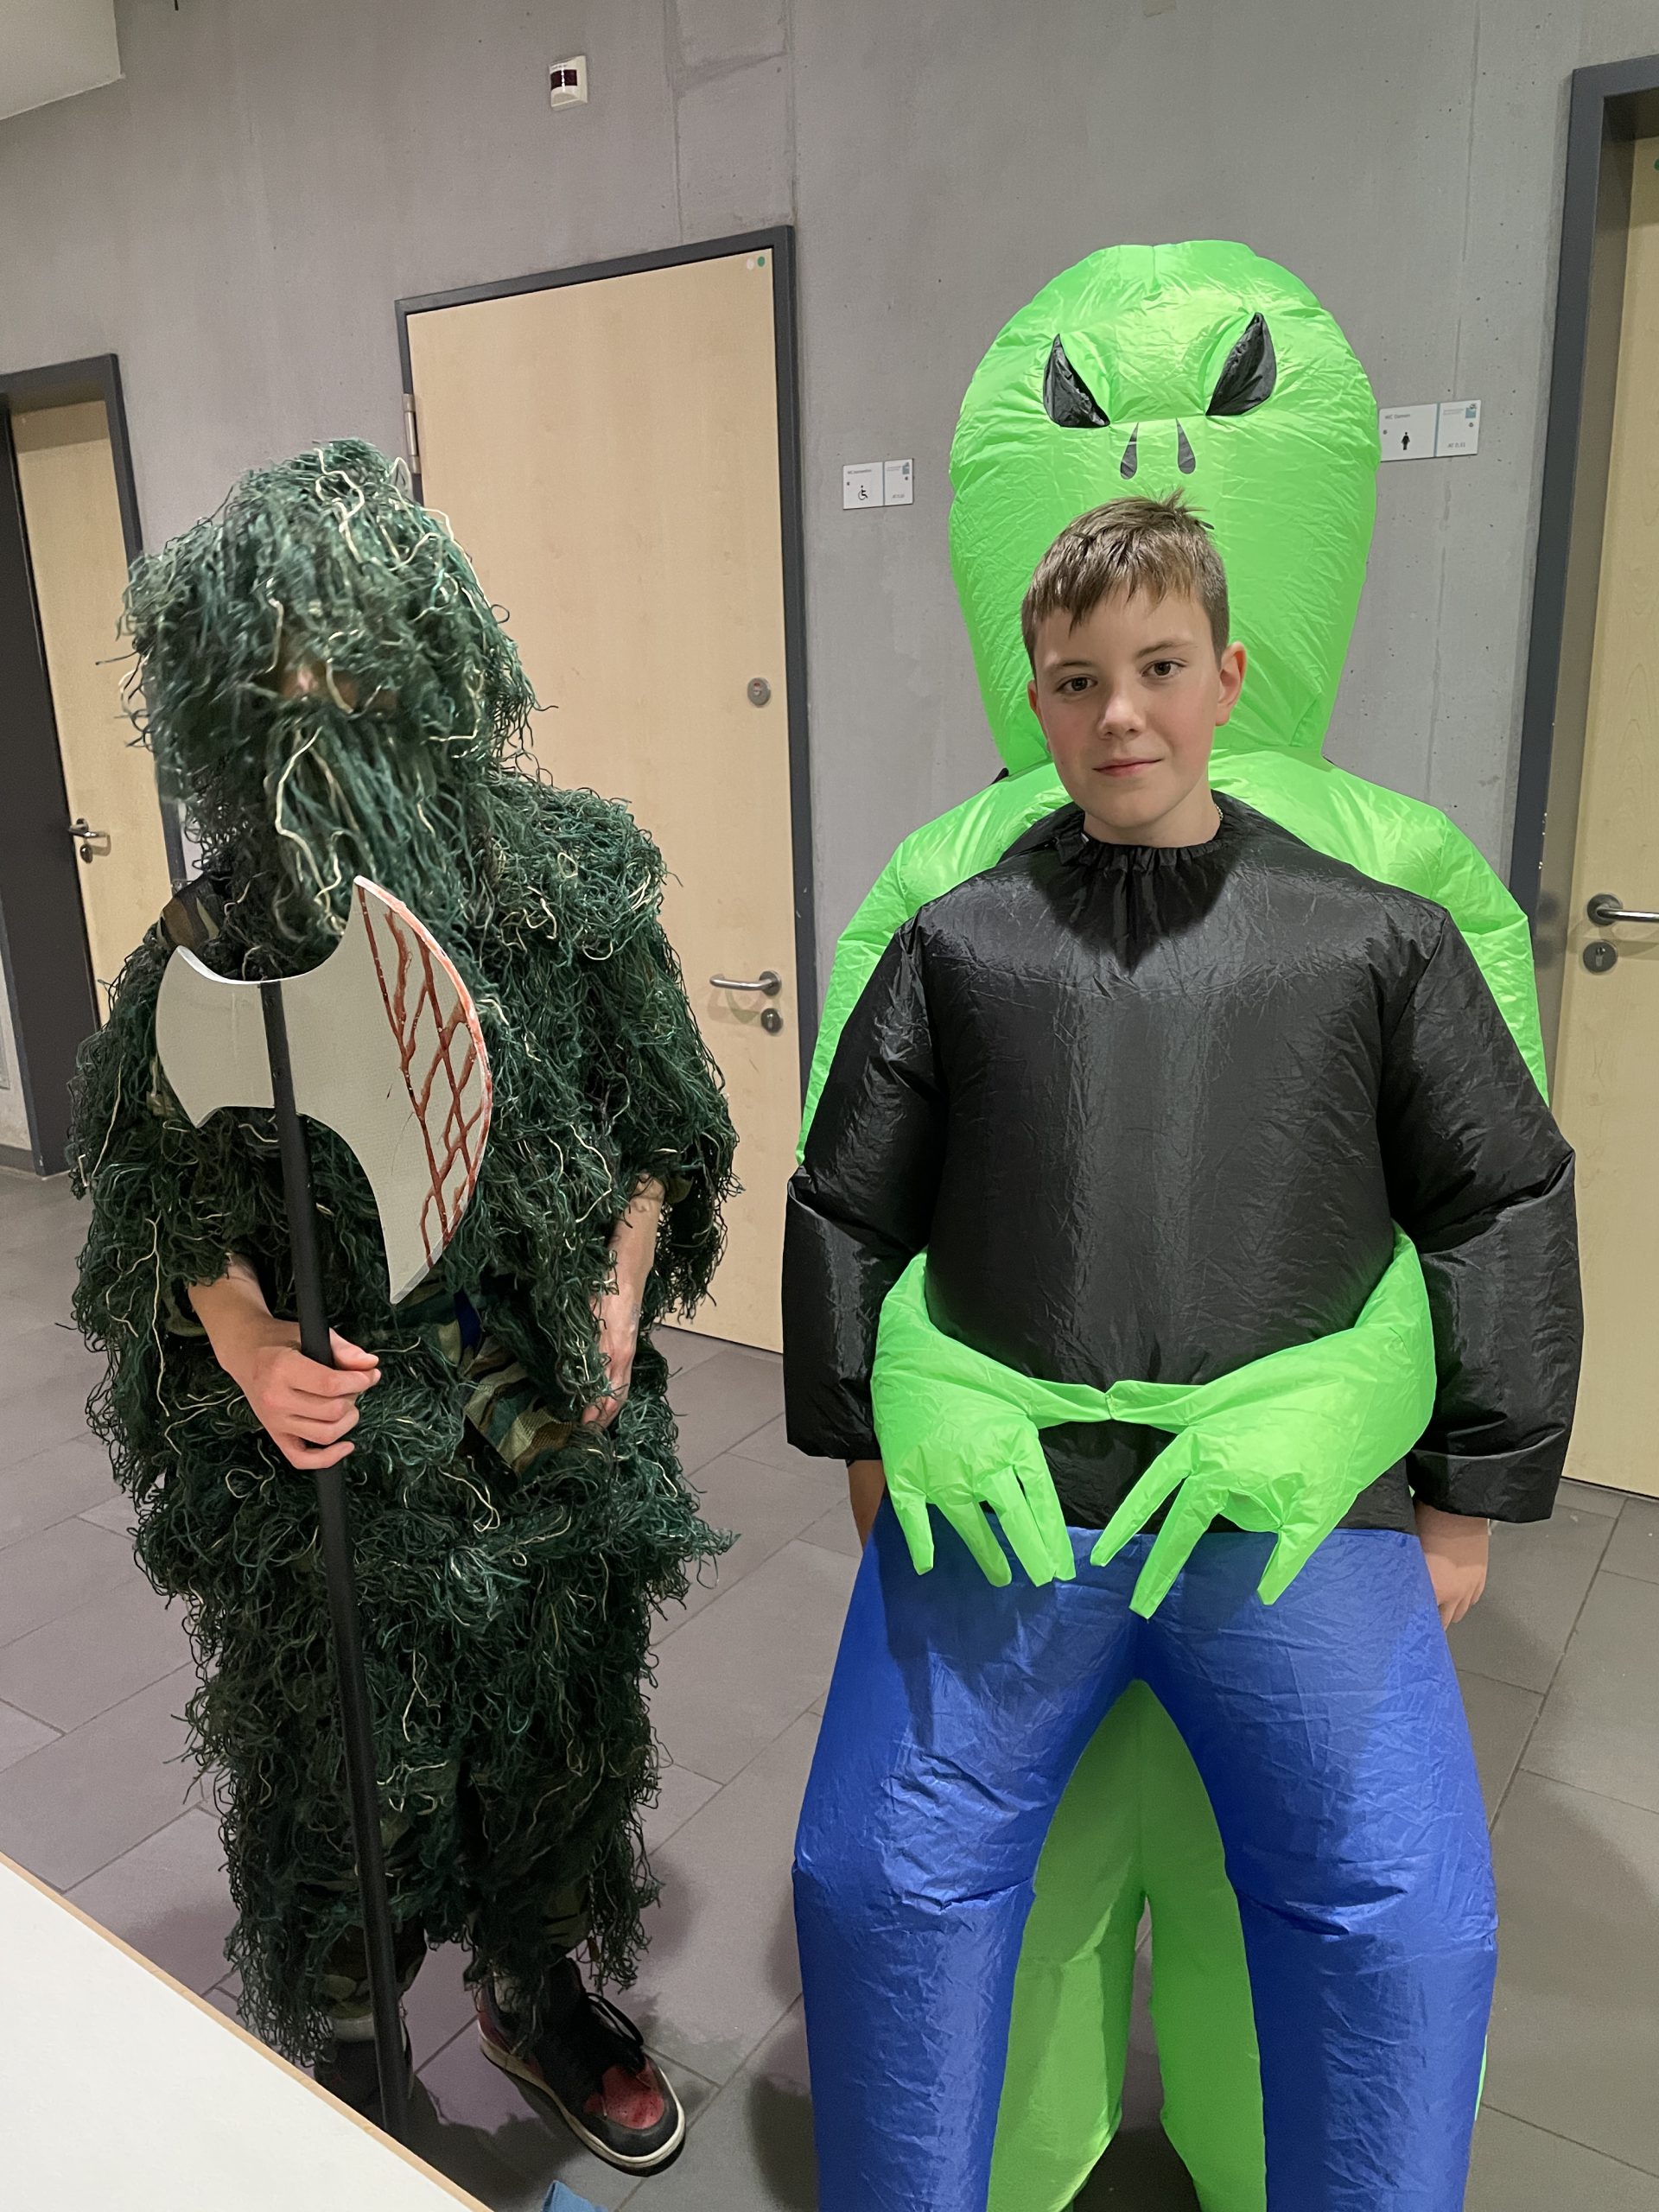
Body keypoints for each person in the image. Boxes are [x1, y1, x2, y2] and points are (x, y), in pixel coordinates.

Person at [798, 238, 1565, 2212]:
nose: (1119, 714)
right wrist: (881, 1425)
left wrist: (1461, 1489)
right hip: (1017, 1499)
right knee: (882, 1880)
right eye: (1079, 682)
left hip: (1283, 1507)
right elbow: (850, 1194)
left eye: (1156, 671)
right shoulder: (959, 925)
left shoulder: (1379, 921)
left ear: (1227, 673)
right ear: (1035, 697)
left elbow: (1492, 1192)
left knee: (1399, 1920)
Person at [71, 442, 734, 2176]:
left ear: (432, 661)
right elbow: (159, 1197)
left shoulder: (569, 883)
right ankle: (353, 2050)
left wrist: (617, 1287)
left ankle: (536, 1987)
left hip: (538, 1403)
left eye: (350, 667)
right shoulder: (211, 943)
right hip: (333, 1438)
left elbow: (666, 1133)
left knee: (556, 1722)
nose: (322, 713)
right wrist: (243, 1342)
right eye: (281, 680)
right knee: (340, 1760)